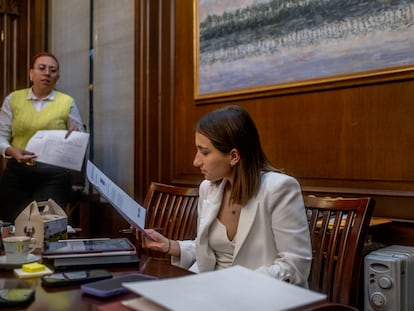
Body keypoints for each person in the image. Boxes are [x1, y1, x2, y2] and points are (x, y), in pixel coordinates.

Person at [140, 105, 312, 287]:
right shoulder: (209, 188)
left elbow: (294, 266)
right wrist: (170, 246)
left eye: (204, 152)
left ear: (234, 156)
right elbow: (208, 250)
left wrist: (233, 284)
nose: (196, 161)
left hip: (259, 295)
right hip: (208, 289)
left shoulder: (279, 188)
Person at [0, 51, 85, 222]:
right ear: (31, 73)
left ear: (57, 77)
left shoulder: (67, 102)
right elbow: (1, 135)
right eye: (42, 68)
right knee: (12, 224)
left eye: (52, 70)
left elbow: (80, 136)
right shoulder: (13, 99)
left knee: (46, 226)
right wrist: (10, 150)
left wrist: (76, 139)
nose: (47, 73)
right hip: (17, 174)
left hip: (54, 176)